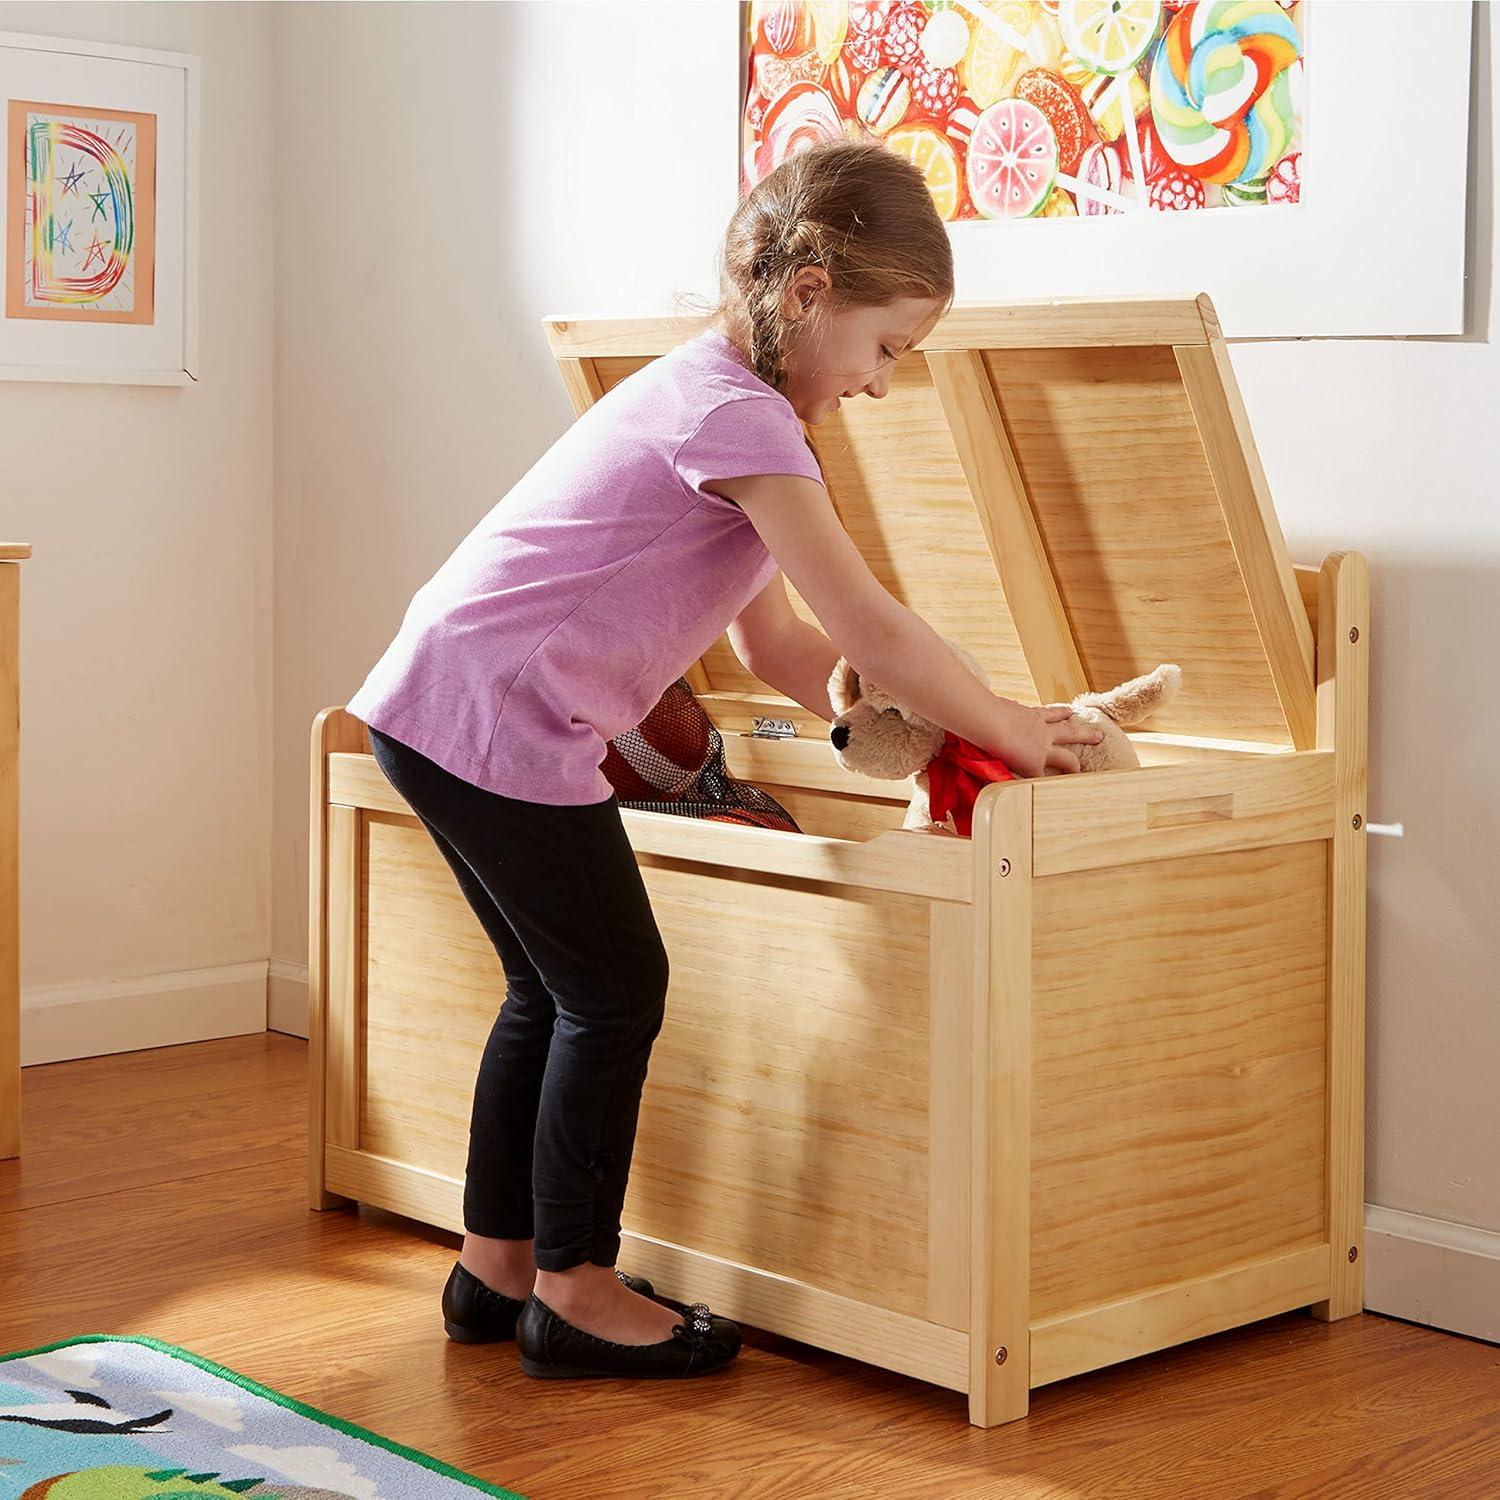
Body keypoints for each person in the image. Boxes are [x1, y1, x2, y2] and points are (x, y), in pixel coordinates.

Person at [346, 137, 1103, 1383]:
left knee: (550, 992)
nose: (881, 384)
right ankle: (577, 1288)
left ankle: (497, 1269)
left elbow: (786, 641)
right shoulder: (734, 412)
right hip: (498, 716)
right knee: (612, 991)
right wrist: (1011, 727)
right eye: (887, 349)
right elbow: (874, 625)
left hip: (442, 700)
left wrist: (867, 727)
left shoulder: (735, 404)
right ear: (807, 293)